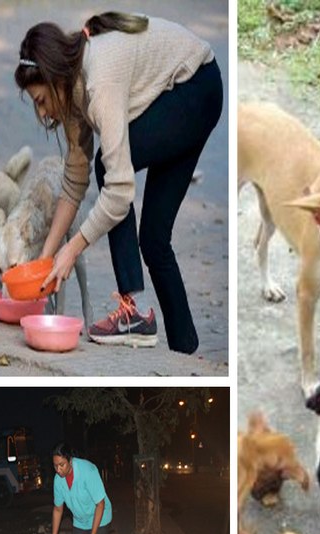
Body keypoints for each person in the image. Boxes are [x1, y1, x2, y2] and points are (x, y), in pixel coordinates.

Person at [14, 12, 222, 352]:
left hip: (196, 89)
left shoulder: (99, 82)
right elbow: (74, 180)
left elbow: (120, 191)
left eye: (40, 101)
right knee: (154, 240)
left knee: (109, 169)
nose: (42, 114)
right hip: (186, 93)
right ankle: (185, 350)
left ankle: (130, 314)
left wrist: (72, 248)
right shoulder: (70, 91)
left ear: (54, 79)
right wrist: (46, 260)